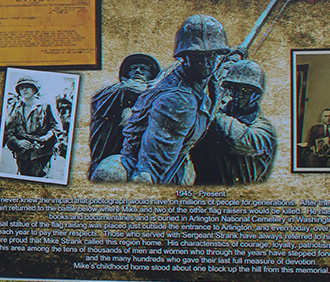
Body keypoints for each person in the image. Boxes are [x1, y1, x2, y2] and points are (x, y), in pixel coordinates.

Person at [91, 15, 230, 185]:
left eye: (211, 54)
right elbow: (149, 170)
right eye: (197, 56)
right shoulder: (176, 100)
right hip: (151, 169)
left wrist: (234, 56)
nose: (206, 62)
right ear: (184, 57)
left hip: (177, 163)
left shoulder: (190, 76)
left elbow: (216, 71)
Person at [191, 59, 277, 185]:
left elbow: (241, 140)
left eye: (246, 90)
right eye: (234, 89)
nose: (238, 95)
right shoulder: (216, 116)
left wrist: (213, 110)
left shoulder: (264, 129)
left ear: (257, 94)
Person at [87, 52, 160, 179]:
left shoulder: (157, 101)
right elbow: (130, 89)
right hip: (107, 162)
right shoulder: (110, 92)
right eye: (133, 68)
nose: (138, 71)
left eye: (144, 69)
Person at [3, 77, 62, 177]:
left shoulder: (46, 106)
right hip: (23, 154)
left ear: (34, 90)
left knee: (40, 178)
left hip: (42, 153)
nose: (24, 90)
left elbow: (57, 128)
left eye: (27, 87)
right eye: (21, 88)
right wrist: (18, 142)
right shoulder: (15, 110)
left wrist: (46, 137)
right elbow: (8, 132)